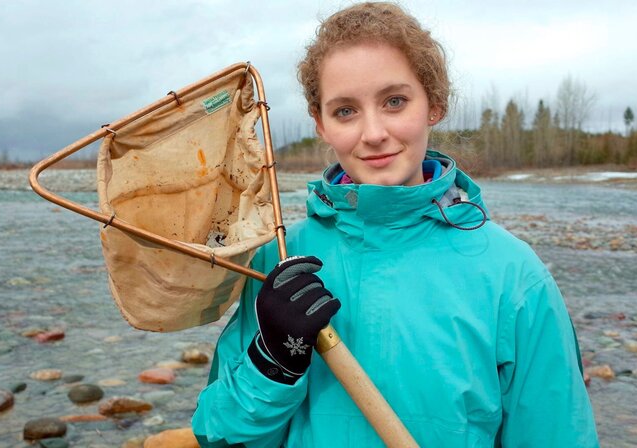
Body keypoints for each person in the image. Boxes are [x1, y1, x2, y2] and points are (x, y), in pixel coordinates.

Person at [192, 2, 599, 447]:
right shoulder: (284, 264)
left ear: (434, 104)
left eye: (394, 101)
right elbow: (220, 438)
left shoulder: (513, 276)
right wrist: (271, 363)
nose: (373, 133)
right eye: (345, 110)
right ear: (321, 124)